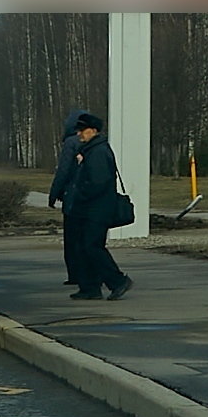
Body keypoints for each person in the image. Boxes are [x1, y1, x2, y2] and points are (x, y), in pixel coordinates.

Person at [62, 113, 132, 301]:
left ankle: (117, 281)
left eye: (82, 130)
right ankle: (90, 287)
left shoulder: (98, 152)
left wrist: (80, 195)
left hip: (97, 209)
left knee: (91, 246)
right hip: (91, 209)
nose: (79, 134)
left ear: (93, 131)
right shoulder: (92, 150)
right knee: (84, 247)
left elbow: (98, 182)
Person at [48, 111, 92, 286]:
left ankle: (75, 275)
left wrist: (54, 194)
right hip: (89, 198)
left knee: (72, 240)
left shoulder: (70, 143)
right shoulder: (96, 142)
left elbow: (64, 170)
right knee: (87, 239)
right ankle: (90, 274)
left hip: (72, 198)